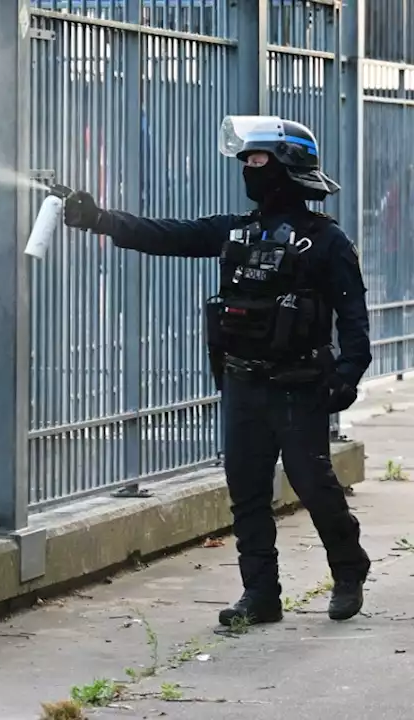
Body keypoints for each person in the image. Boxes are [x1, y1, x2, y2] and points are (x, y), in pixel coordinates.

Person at [62, 115, 371, 626]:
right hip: (242, 382)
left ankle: (348, 568)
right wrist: (100, 219)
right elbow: (168, 235)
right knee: (246, 491)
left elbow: (353, 317)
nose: (247, 169)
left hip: (297, 386)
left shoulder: (326, 240)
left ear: (286, 165)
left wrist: (348, 373)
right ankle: (261, 595)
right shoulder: (237, 231)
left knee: (313, 483)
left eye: (257, 160)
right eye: (245, 160)